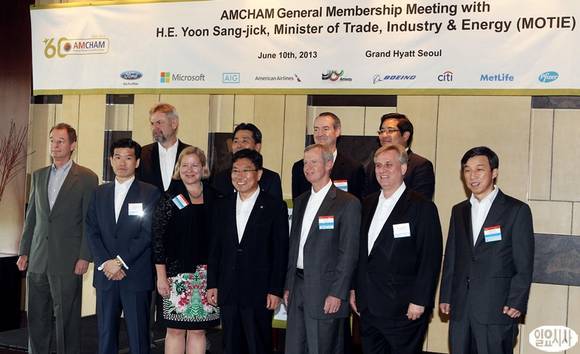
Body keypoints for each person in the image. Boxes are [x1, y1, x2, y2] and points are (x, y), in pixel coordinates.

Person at [439, 146, 534, 354]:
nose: (472, 176)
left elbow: (524, 261)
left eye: (479, 169)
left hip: (497, 308)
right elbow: (452, 256)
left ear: (494, 173)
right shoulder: (459, 211)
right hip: (461, 308)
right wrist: (446, 294)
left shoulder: (515, 210)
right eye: (467, 170)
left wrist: (517, 301)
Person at [350, 144, 442, 354]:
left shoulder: (422, 206)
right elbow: (361, 254)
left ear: (403, 168)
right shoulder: (366, 204)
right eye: (378, 166)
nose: (382, 171)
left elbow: (430, 258)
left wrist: (420, 300)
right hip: (369, 308)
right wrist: (355, 288)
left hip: (404, 309)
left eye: (389, 165)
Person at [16, 123, 98, 354]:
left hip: (68, 259)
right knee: (37, 316)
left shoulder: (87, 178)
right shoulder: (40, 175)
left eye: (60, 141)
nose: (55, 145)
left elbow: (88, 221)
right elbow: (31, 217)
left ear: (73, 145)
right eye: (52, 140)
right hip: (38, 257)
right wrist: (24, 251)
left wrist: (85, 256)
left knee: (67, 319)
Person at [207, 149, 289, 354]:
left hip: (259, 291)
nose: (239, 176)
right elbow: (215, 248)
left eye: (246, 170)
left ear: (259, 174)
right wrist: (213, 284)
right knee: (230, 345)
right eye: (235, 170)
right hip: (228, 288)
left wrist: (275, 289)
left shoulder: (274, 206)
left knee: (257, 344)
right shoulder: (222, 205)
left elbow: (280, 251)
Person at [86, 138, 161, 354]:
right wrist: (106, 263)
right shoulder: (99, 192)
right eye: (117, 157)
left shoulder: (150, 193)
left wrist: (119, 262)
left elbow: (147, 234)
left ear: (137, 162)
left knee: (138, 337)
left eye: (128, 158)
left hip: (135, 274)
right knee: (106, 334)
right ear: (110, 160)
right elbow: (92, 230)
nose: (122, 162)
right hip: (106, 275)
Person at [285, 144, 361, 354]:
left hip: (326, 290)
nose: (307, 167)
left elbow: (349, 253)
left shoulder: (347, 203)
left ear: (329, 164)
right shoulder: (300, 201)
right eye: (305, 163)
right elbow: (294, 247)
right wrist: (288, 285)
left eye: (313, 162)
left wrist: (338, 293)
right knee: (293, 347)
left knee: (322, 348)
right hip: (297, 287)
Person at [153, 146, 220, 354]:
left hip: (208, 276)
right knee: (174, 330)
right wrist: (161, 277)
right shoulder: (169, 197)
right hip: (176, 276)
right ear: (178, 168)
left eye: (195, 165)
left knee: (198, 331)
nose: (189, 170)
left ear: (203, 168)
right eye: (184, 165)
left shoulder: (216, 196)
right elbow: (157, 239)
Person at [292, 112, 365, 199]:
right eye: (316, 129)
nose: (319, 134)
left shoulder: (353, 168)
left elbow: (356, 204)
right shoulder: (299, 167)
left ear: (337, 131)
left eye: (325, 129)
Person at [364, 113, 435, 200]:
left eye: (390, 131)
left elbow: (421, 202)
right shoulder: (372, 165)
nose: (384, 135)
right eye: (382, 131)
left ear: (405, 136)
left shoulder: (421, 166)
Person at [211, 123, 282, 200]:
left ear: (257, 147)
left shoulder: (271, 179)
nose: (239, 145)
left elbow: (275, 209)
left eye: (244, 141)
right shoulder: (220, 178)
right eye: (235, 141)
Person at [138, 102, 191, 191]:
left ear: (174, 123)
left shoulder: (191, 153)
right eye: (152, 123)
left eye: (159, 122)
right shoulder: (142, 154)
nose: (154, 128)